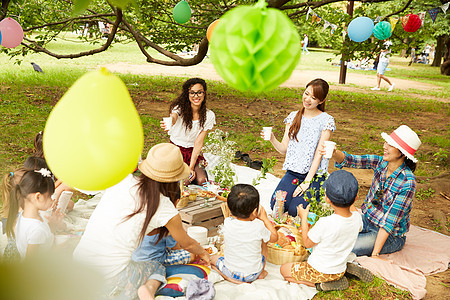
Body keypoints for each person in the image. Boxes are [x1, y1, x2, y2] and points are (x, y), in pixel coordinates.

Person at [73, 143, 210, 300]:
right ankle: (148, 291)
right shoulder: (164, 206)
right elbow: (187, 244)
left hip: (79, 269)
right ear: (174, 179)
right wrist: (203, 253)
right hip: (110, 281)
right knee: (157, 267)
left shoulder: (121, 180)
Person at [327, 125, 421, 257]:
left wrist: (375, 254)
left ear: (401, 153)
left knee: (348, 248)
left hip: (390, 236)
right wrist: (334, 153)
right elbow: (352, 160)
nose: (385, 147)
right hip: (366, 220)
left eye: (391, 145)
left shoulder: (407, 182)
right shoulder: (381, 163)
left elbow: (389, 223)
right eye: (386, 142)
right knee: (331, 235)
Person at [280, 170, 372, 291]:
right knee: (335, 263)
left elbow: (307, 243)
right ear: (355, 198)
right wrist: (348, 197)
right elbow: (353, 210)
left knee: (284, 270)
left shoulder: (325, 223)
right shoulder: (357, 218)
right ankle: (346, 270)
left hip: (319, 271)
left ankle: (321, 285)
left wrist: (304, 218)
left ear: (327, 199)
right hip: (339, 268)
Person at [264, 78, 335, 216]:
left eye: (313, 97)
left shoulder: (326, 120)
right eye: (306, 93)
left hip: (315, 176)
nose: (307, 99)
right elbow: (284, 148)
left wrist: (306, 182)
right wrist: (272, 138)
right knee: (276, 204)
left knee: (295, 210)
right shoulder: (293, 117)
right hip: (293, 172)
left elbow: (318, 155)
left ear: (321, 101)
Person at [210, 184, 278, 284]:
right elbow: (275, 238)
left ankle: (228, 277)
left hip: (230, 272)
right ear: (255, 211)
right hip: (253, 274)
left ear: (230, 209)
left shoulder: (228, 222)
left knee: (214, 259)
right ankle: (261, 272)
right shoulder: (259, 225)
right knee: (264, 240)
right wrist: (264, 218)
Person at [162, 78, 216, 186]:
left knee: (202, 180)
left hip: (193, 153)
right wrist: (170, 122)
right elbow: (174, 116)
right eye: (192, 93)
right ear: (187, 94)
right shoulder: (179, 109)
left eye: (199, 92)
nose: (196, 96)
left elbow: (198, 143)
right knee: (184, 182)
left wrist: (191, 168)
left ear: (204, 93)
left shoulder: (209, 115)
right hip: (176, 152)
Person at [5, 168, 65, 258]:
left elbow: (42, 238)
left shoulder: (23, 216)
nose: (52, 200)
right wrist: (60, 248)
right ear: (38, 197)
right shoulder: (36, 229)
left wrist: (52, 226)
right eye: (49, 196)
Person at [32, 131, 74, 211]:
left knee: (71, 204)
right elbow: (46, 190)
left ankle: (54, 211)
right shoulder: (38, 166)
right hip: (39, 200)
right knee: (67, 185)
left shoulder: (50, 162)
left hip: (46, 198)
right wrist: (62, 180)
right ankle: (52, 214)